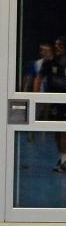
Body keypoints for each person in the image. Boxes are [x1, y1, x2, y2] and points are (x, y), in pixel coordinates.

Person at [35, 37, 66, 172]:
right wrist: (35, 96)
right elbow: (39, 78)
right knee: (57, 131)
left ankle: (64, 160)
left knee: (64, 130)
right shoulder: (50, 62)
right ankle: (62, 157)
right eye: (55, 46)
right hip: (55, 101)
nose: (57, 48)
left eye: (59, 46)